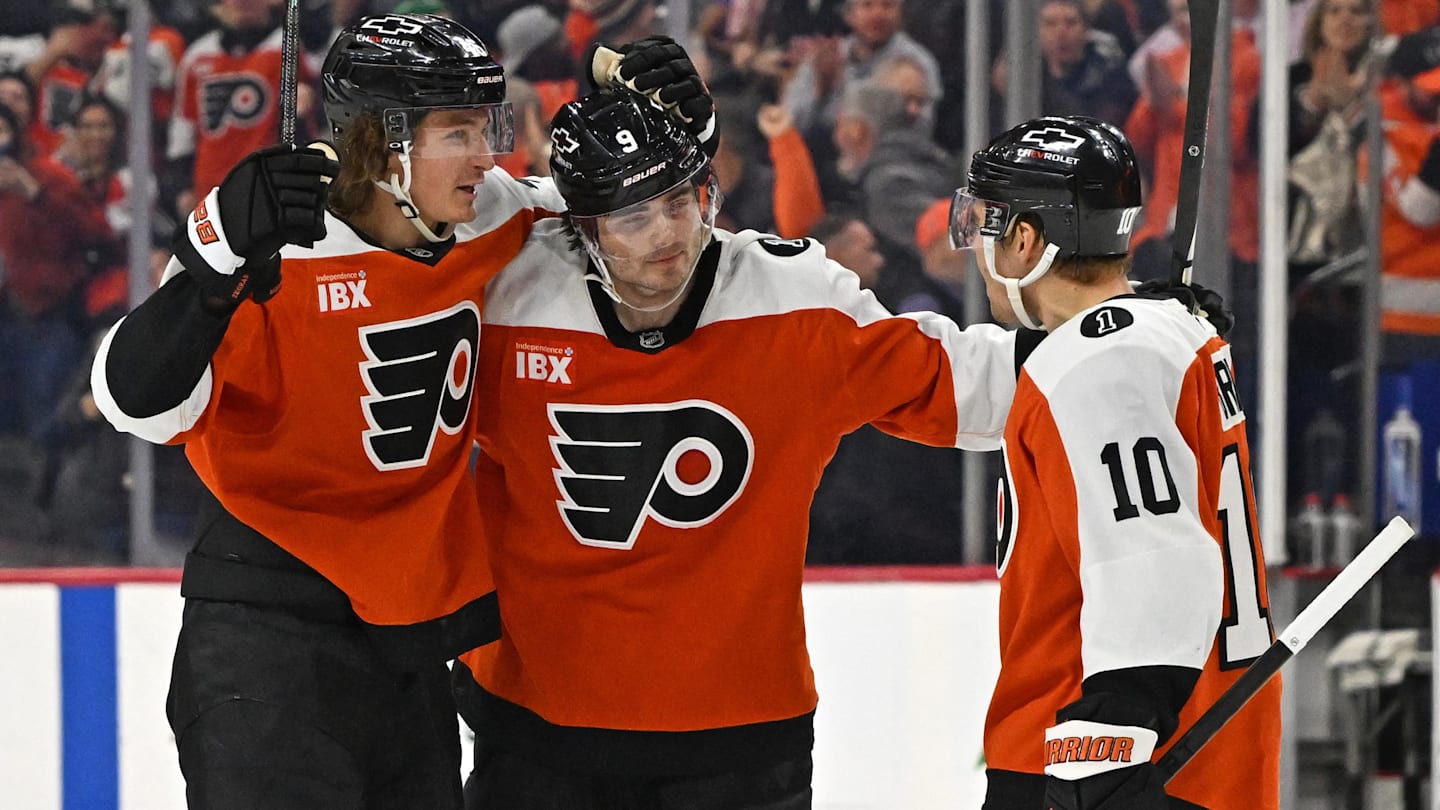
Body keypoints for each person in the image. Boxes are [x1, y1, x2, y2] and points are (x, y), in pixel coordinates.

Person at [89, 13, 713, 808]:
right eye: (459, 132)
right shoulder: (276, 245)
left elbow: (635, 228)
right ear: (384, 143)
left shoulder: (489, 215)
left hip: (408, 642)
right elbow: (132, 401)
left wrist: (684, 131)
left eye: (485, 128)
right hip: (265, 638)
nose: (486, 155)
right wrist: (213, 263)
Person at [451, 87, 1028, 808]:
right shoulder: (505, 293)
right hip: (535, 729)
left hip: (742, 736)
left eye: (680, 201)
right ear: (583, 226)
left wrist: (1117, 340)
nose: (667, 233)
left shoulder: (791, 297)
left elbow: (962, 382)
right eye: (633, 215)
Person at [948, 115, 1281, 809]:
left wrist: (1108, 742)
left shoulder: (1097, 364)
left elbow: (1153, 559)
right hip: (1208, 748)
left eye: (982, 225)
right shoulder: (1169, 329)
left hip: (1100, 759)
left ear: (1024, 240)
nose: (974, 247)